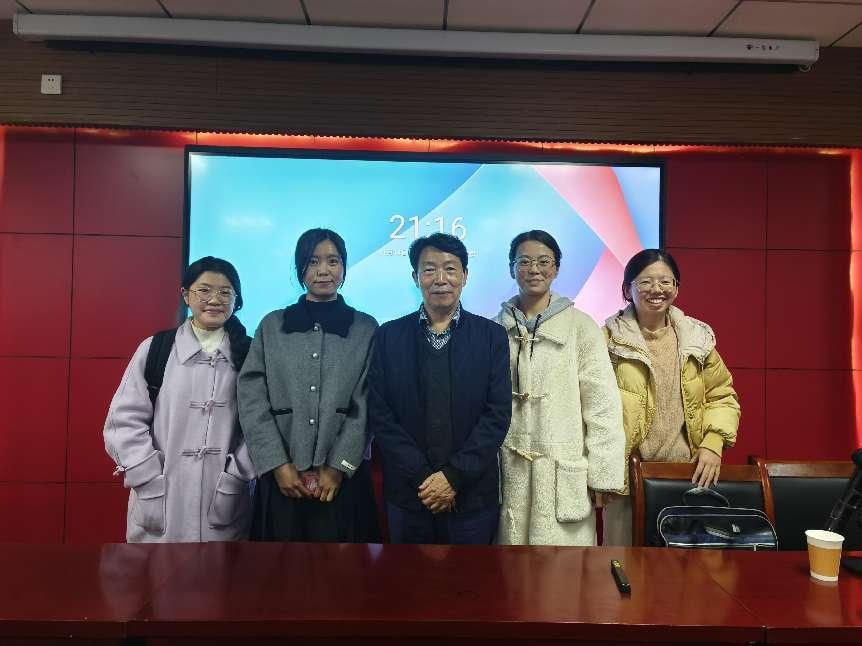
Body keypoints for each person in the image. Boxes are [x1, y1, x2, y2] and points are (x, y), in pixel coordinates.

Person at [368, 232, 511, 545]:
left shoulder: (491, 336)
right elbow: (380, 415)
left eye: (450, 268)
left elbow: (497, 415)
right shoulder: (389, 336)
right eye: (429, 269)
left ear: (465, 275)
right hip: (409, 494)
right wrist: (422, 476)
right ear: (415, 277)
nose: (440, 279)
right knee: (407, 576)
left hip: (472, 495)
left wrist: (454, 477)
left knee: (471, 576)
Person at [238, 228, 380, 542]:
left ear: (344, 267)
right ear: (300, 268)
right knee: (281, 568)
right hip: (283, 479)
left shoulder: (366, 328)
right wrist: (277, 463)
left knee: (344, 569)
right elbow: (251, 397)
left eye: (333, 261)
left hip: (343, 480)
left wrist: (338, 466)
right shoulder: (272, 325)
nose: (323, 270)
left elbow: (368, 402)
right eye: (313, 262)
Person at [104, 256, 254, 542]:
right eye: (204, 290)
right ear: (186, 295)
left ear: (236, 300)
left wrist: (237, 475)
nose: (215, 300)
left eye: (225, 292)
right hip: (160, 499)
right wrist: (147, 477)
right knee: (156, 570)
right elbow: (123, 421)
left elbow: (260, 428)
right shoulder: (156, 349)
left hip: (225, 500)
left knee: (221, 570)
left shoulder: (250, 354)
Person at [602, 249, 741, 546]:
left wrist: (713, 443)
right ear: (627, 289)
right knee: (623, 563)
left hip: (687, 475)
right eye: (645, 282)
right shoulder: (607, 340)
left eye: (666, 281)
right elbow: (592, 407)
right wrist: (600, 469)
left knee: (682, 568)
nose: (657, 289)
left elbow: (722, 394)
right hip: (626, 479)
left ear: (676, 288)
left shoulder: (697, 339)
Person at [495, 230, 625, 546]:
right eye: (524, 262)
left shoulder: (581, 327)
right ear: (512, 268)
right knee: (510, 568)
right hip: (509, 470)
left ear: (556, 269)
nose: (534, 270)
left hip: (562, 473)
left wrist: (603, 474)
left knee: (563, 569)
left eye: (544, 262)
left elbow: (602, 404)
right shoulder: (495, 328)